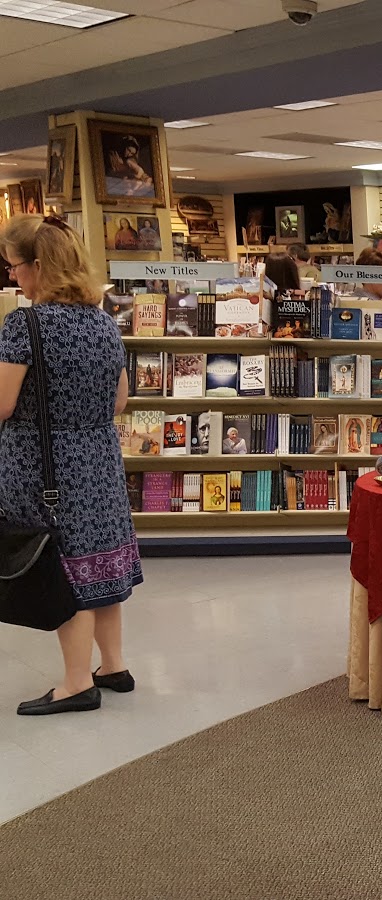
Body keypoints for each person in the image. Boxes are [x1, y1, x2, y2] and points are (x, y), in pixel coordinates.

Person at [2, 215, 143, 715]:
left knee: (62, 568)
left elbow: (2, 402)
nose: (13, 276)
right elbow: (120, 401)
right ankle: (114, 665)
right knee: (99, 560)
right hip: (98, 456)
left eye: (15, 266)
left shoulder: (25, 324)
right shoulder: (103, 321)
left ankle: (76, 682)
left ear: (39, 266)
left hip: (44, 465)